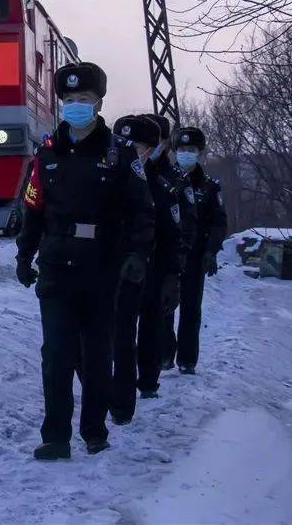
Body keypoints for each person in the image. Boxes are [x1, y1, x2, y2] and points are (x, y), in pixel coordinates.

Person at [15, 62, 155, 460]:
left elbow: (142, 211)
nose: (76, 107)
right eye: (70, 100)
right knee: (56, 355)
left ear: (99, 103)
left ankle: (94, 429)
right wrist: (25, 255)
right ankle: (55, 436)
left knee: (97, 354)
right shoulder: (46, 154)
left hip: (102, 267)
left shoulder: (120, 154)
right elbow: (33, 208)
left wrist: (137, 255)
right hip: (57, 266)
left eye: (85, 100)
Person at [110, 114, 182, 423]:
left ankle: (146, 381)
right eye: (126, 144)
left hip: (151, 268)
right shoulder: (110, 176)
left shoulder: (164, 184)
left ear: (155, 148)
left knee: (148, 327)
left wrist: (171, 275)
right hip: (116, 268)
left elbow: (174, 235)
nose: (133, 151)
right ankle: (119, 399)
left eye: (139, 146)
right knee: (118, 336)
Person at [166, 126, 227, 374]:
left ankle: (187, 359)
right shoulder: (166, 180)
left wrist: (211, 251)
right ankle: (163, 355)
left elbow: (218, 223)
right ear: (174, 152)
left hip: (195, 256)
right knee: (164, 305)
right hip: (167, 255)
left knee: (191, 308)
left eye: (191, 150)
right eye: (181, 150)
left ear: (200, 154)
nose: (186, 154)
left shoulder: (210, 187)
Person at [144, 113, 198, 371]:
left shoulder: (176, 179)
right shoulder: (132, 173)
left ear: (165, 144)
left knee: (167, 308)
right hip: (139, 255)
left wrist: (182, 256)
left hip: (168, 256)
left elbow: (187, 222)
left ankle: (167, 356)